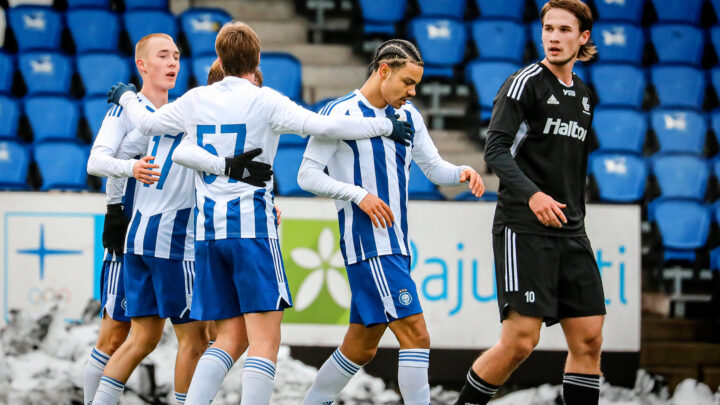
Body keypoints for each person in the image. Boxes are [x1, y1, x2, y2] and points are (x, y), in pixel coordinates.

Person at [104, 21, 415, 405]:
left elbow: (149, 122)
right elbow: (322, 123)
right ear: (257, 59)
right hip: (251, 229)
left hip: (207, 234)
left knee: (230, 338)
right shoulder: (263, 99)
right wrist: (382, 126)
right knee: (265, 340)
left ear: (219, 57)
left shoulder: (196, 99)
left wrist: (128, 98)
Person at [296, 38, 484, 405]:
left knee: (361, 347)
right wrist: (358, 194)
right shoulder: (341, 113)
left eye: (417, 85)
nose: (413, 92)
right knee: (417, 335)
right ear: (384, 71)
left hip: (396, 244)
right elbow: (307, 175)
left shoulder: (407, 115)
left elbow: (432, 167)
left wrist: (461, 171)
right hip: (369, 244)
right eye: (407, 83)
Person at [454, 1, 604, 404]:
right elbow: (495, 149)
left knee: (589, 339)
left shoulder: (586, 96)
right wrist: (533, 195)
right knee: (521, 341)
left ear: (583, 37)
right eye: (548, 29)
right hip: (523, 226)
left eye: (564, 30)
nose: (554, 37)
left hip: (571, 230)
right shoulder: (524, 83)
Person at [87, 33, 213, 405]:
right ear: (142, 64)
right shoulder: (125, 109)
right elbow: (95, 161)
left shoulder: (177, 113)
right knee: (113, 336)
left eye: (177, 56)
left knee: (146, 337)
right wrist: (129, 173)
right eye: (163, 56)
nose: (173, 62)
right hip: (129, 228)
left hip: (156, 231)